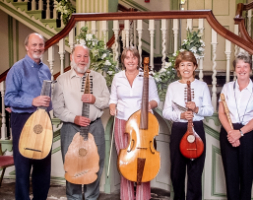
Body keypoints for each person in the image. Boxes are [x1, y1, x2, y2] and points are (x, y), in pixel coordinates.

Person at [52, 44, 110, 199]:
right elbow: (57, 108)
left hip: (95, 127)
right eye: (79, 56)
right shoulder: (62, 80)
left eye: (85, 56)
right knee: (73, 168)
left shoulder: (98, 78)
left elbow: (106, 102)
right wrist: (74, 118)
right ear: (71, 57)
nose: (82, 60)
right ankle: (74, 197)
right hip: (71, 128)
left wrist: (94, 99)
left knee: (95, 166)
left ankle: (92, 197)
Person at [4, 33, 52, 200]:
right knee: (23, 170)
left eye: (40, 44)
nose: (38, 48)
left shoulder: (46, 69)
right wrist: (32, 100)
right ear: (27, 46)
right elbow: (8, 98)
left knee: (44, 168)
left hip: (43, 121)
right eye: (34, 45)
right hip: (22, 121)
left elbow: (47, 99)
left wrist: (48, 104)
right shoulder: (17, 69)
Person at [109, 46, 160, 200]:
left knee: (144, 162)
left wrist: (148, 105)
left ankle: (143, 197)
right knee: (125, 161)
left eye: (134, 57)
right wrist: (112, 108)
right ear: (123, 60)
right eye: (127, 57)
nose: (131, 60)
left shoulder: (147, 77)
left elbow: (155, 100)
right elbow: (113, 99)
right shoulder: (117, 78)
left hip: (142, 124)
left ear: (138, 60)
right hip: (122, 121)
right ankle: (127, 197)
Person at [162, 51, 214, 200]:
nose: (186, 68)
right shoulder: (172, 87)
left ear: (195, 67)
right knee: (177, 171)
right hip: (179, 129)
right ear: (178, 68)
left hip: (196, 127)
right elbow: (166, 112)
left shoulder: (202, 86)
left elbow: (209, 110)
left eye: (189, 65)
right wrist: (181, 115)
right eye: (182, 65)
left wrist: (196, 109)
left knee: (195, 170)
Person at [218, 52, 253, 200]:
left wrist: (240, 133)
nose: (242, 69)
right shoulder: (227, 88)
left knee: (246, 178)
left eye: (245, 66)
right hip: (228, 134)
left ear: (250, 69)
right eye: (239, 66)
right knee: (230, 178)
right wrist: (232, 133)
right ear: (235, 69)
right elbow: (221, 114)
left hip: (249, 135)